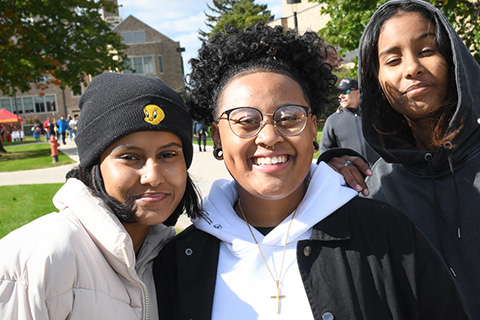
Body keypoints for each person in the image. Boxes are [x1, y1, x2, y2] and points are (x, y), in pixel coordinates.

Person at [153, 23, 466, 319]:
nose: (269, 136)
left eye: (289, 117)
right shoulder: (178, 259)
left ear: (313, 127)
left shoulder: (387, 234)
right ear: (218, 135)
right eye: (246, 120)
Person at [319, 0, 480, 318]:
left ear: (453, 59)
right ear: (375, 80)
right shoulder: (375, 191)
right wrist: (324, 178)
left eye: (426, 51)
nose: (411, 68)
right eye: (392, 60)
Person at [0, 72, 201, 319]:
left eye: (168, 155)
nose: (153, 176)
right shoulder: (35, 262)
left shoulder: (173, 256)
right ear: (95, 165)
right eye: (130, 157)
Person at [320, 78, 379, 166]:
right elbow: (326, 153)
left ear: (358, 92)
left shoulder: (375, 115)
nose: (341, 96)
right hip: (352, 177)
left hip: (380, 175)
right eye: (339, 93)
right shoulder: (332, 121)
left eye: (346, 92)